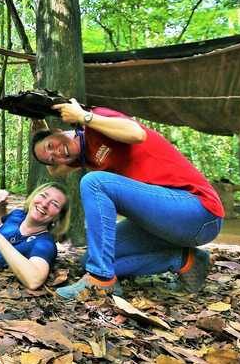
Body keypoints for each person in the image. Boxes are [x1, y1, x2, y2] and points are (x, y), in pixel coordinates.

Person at [32, 99, 223, 299]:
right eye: (51, 158)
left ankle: (101, 280)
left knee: (94, 183)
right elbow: (55, 172)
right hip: (166, 224)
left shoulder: (96, 118)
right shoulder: (85, 156)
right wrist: (38, 125)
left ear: (58, 130)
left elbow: (136, 134)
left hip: (199, 211)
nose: (56, 154)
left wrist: (82, 116)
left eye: (52, 145)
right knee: (90, 258)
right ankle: (185, 261)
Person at [0, 184, 70, 290]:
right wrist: (1, 205)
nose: (44, 204)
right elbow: (2, 225)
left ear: (59, 217)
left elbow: (34, 281)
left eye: (54, 204)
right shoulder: (17, 215)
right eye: (43, 196)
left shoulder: (44, 244)